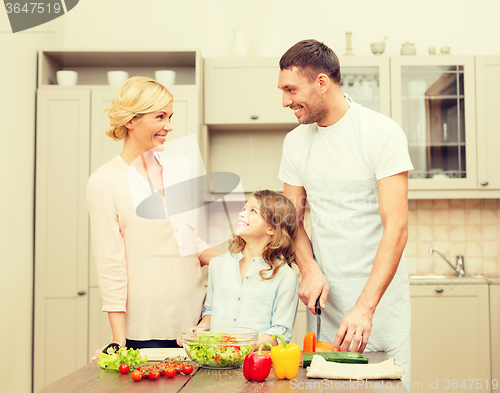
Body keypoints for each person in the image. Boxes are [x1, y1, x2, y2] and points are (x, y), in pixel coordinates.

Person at [277, 39, 414, 383]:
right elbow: (290, 220)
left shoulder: (380, 133)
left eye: (291, 89)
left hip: (378, 304)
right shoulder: (295, 142)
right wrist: (308, 269)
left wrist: (366, 308)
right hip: (325, 303)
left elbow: (396, 226)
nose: (285, 101)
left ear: (322, 82)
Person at [87, 76, 222, 360]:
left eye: (170, 116)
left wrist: (233, 261)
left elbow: (193, 240)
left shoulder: (182, 167)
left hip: (196, 324)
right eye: (160, 116)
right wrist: (118, 339)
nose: (169, 126)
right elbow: (111, 264)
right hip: (144, 328)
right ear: (130, 121)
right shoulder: (104, 181)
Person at [197, 190, 300, 348]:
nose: (241, 214)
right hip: (216, 361)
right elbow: (210, 312)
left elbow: (280, 334)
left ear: (271, 228)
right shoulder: (217, 265)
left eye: (253, 211)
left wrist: (237, 346)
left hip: (257, 365)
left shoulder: (286, 276)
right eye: (244, 209)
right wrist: (198, 330)